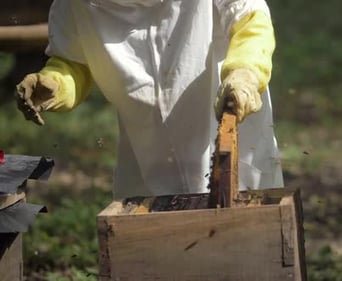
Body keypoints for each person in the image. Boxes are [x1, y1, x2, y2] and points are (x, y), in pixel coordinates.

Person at [15, 0, 284, 199]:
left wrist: (245, 73)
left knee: (245, 242)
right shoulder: (79, 4)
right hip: (146, 154)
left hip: (226, 128)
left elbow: (251, 20)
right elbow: (76, 59)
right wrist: (56, 82)